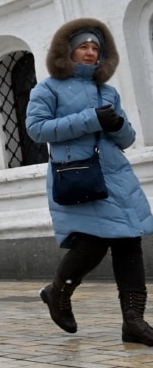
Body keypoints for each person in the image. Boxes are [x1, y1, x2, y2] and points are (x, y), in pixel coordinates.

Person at [26, 18, 153, 345]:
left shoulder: (107, 91)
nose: (89, 52)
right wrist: (90, 118)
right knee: (92, 243)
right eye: (83, 46)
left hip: (116, 176)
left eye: (95, 48)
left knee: (129, 242)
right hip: (79, 175)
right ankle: (58, 292)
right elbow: (37, 130)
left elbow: (127, 139)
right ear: (66, 51)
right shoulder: (48, 88)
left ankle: (134, 322)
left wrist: (115, 122)